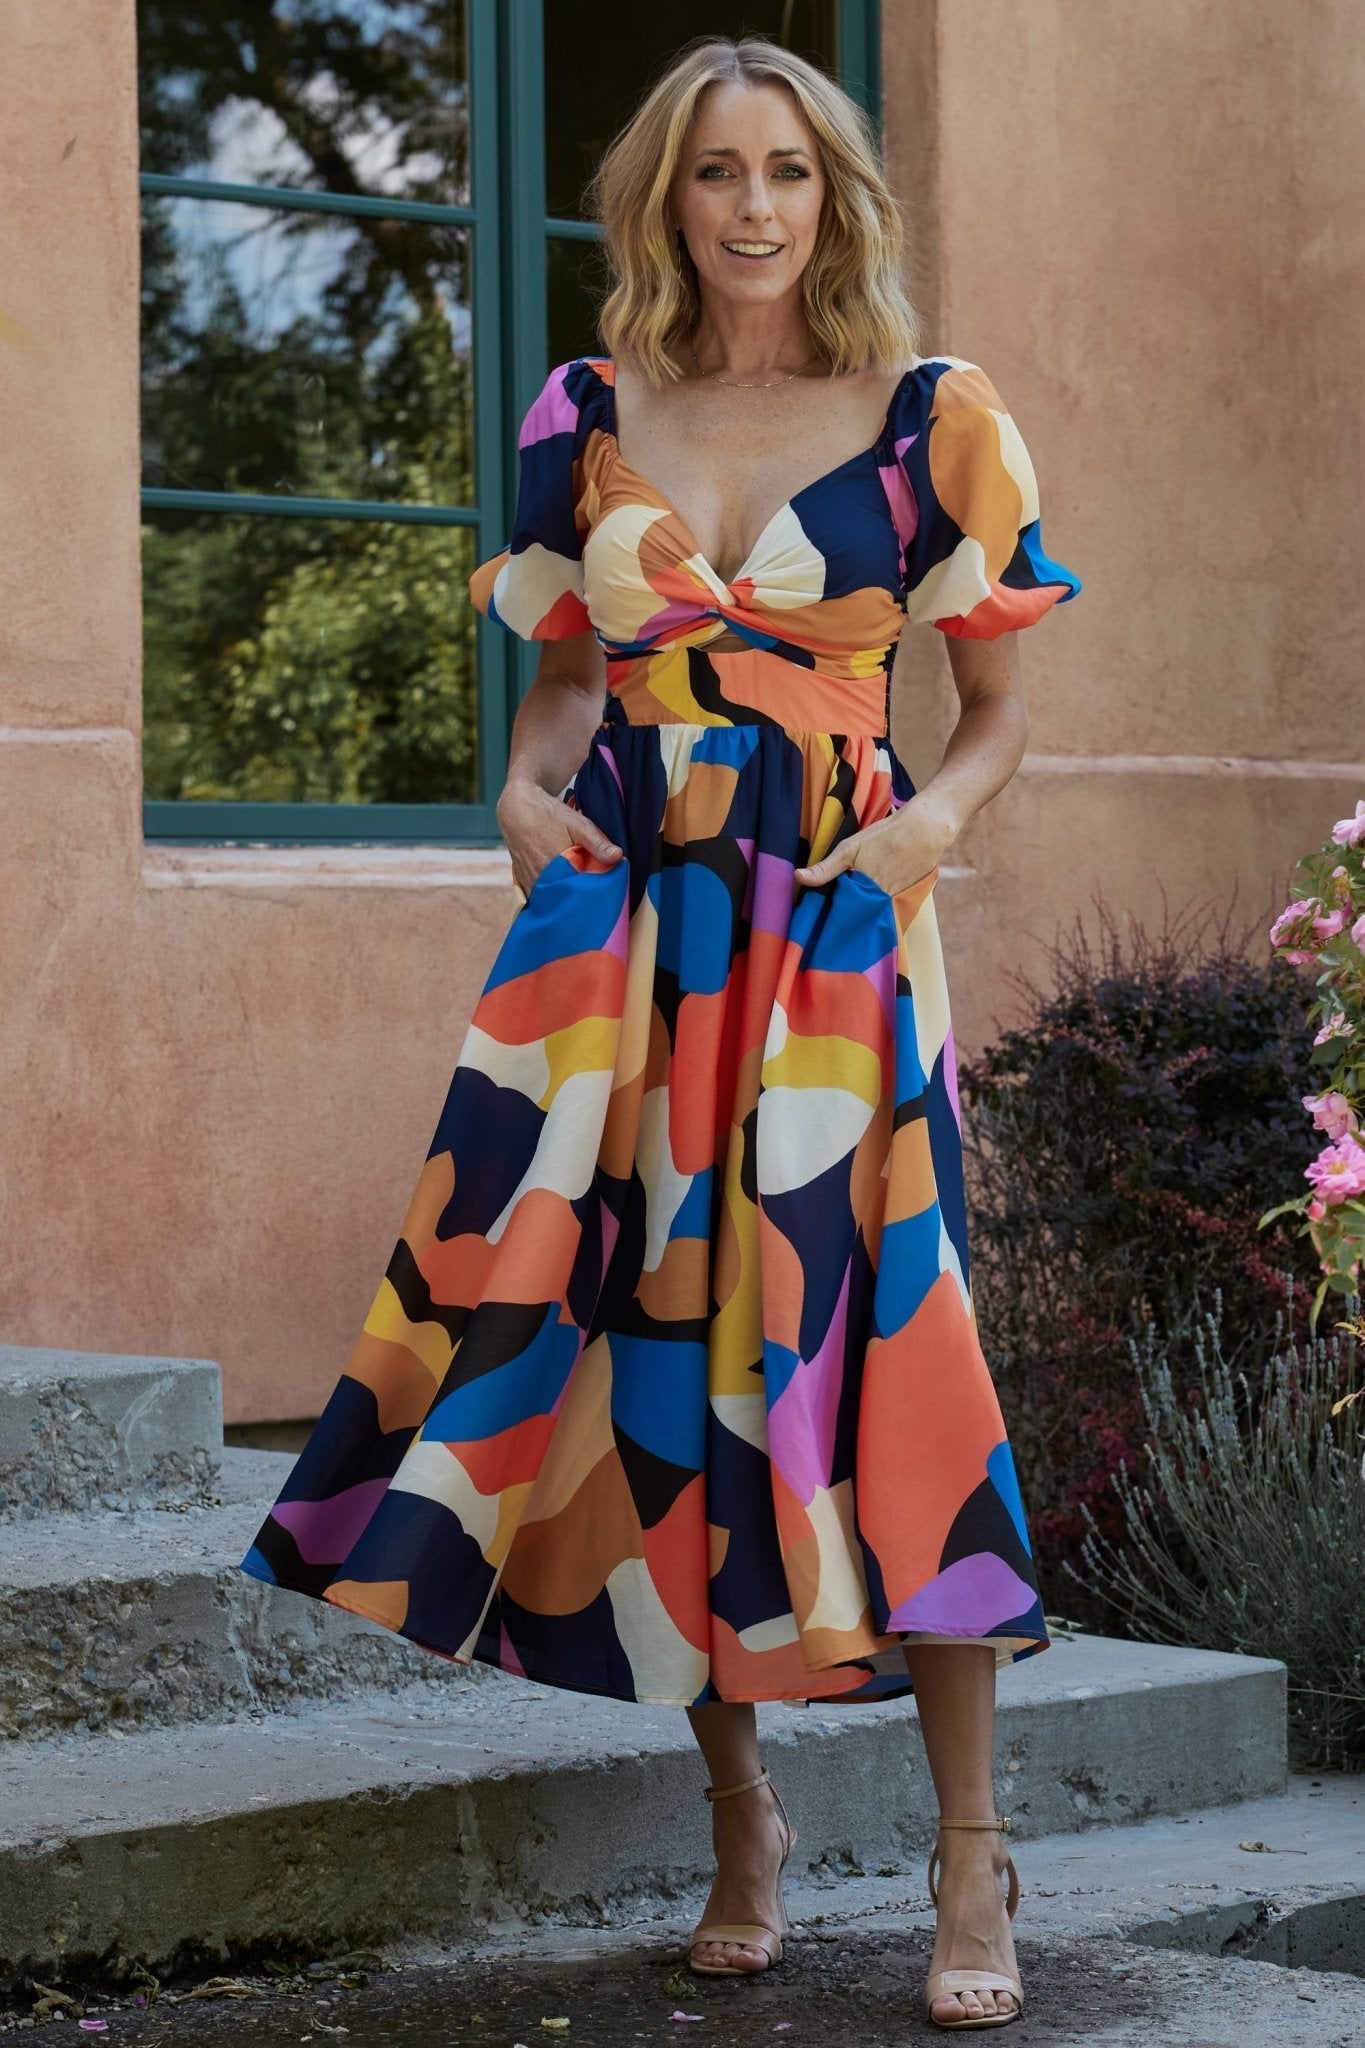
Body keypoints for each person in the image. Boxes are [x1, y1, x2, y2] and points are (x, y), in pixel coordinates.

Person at [240, 33, 1079, 2035]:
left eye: (786, 170)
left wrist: (931, 832)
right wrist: (521, 797)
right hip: (631, 933)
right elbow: (560, 689)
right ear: (664, 201)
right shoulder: (586, 413)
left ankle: (970, 1849)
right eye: (717, 172)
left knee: (886, 1346)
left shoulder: (934, 418)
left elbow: (993, 710)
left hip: (838, 930)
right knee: (657, 1355)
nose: (753, 207)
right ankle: (739, 1824)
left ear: (833, 194)